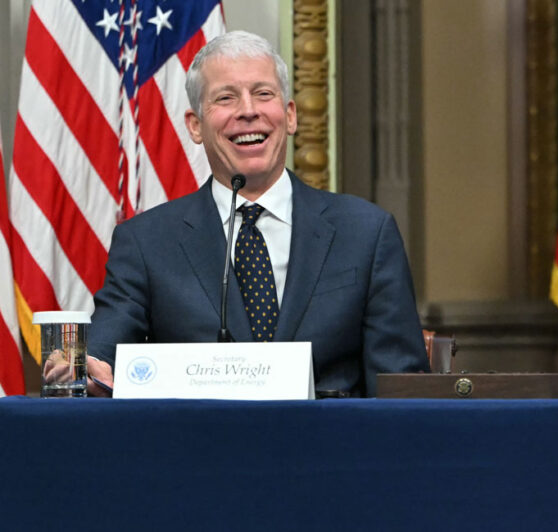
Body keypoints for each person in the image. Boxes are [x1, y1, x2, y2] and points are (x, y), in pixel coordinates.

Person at [85, 31, 428, 396]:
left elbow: (401, 389)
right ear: (195, 126)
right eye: (226, 98)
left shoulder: (366, 233)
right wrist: (81, 367)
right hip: (199, 433)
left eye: (263, 94)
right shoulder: (145, 242)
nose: (248, 111)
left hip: (329, 433)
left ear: (290, 116)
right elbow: (102, 358)